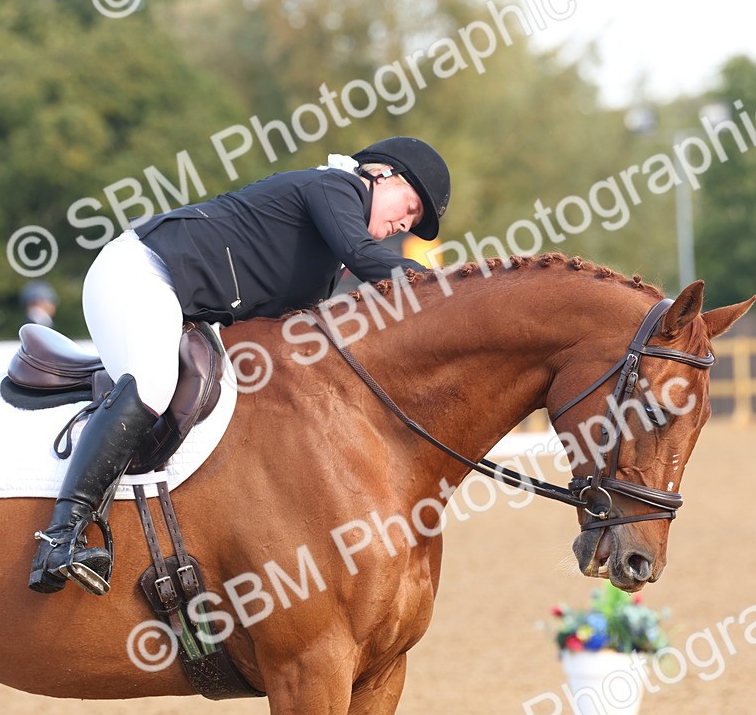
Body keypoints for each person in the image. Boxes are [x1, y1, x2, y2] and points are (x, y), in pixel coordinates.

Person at [29, 136, 451, 595]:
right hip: (140, 273)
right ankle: (61, 536)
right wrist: (446, 291)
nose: (404, 225)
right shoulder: (334, 187)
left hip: (184, 304)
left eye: (412, 222)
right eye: (409, 209)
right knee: (151, 384)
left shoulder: (328, 260)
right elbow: (367, 258)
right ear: (382, 175)